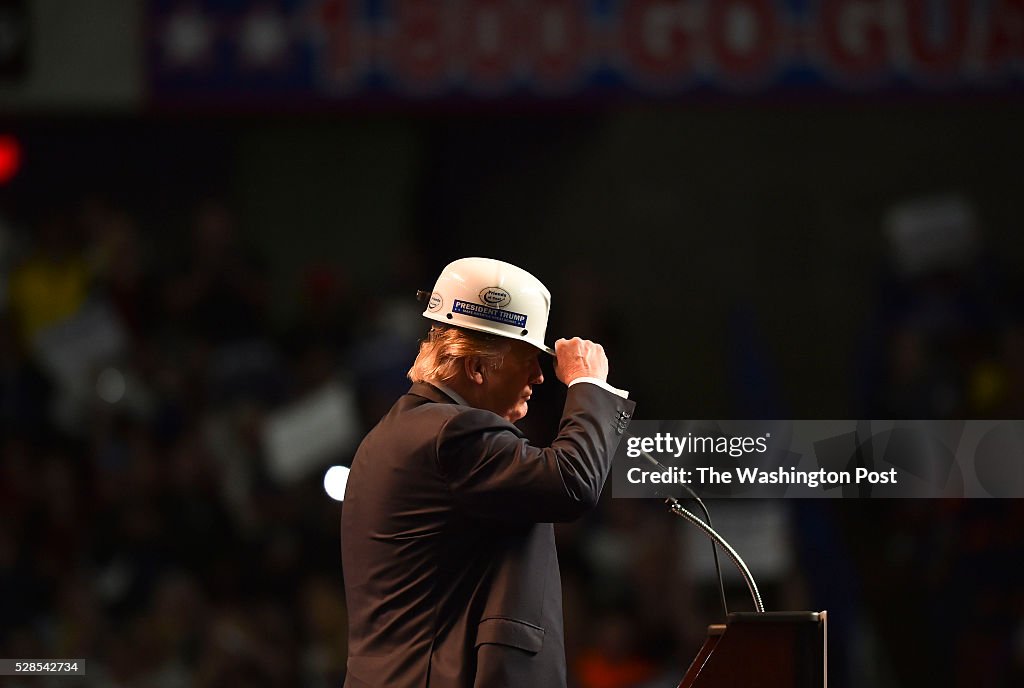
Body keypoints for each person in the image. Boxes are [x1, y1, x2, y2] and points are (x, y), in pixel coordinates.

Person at [340, 257, 636, 688]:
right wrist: (589, 387)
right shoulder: (453, 431)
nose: (539, 376)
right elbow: (572, 483)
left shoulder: (390, 436)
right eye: (528, 358)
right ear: (477, 367)